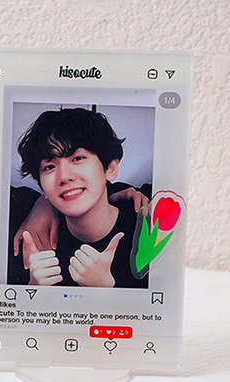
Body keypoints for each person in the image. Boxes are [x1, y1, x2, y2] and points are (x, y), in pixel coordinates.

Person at [9, 107, 148, 288]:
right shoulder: (28, 236)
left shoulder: (148, 224)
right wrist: (33, 290)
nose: (64, 176)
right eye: (50, 167)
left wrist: (106, 290)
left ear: (110, 168)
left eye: (77, 159)